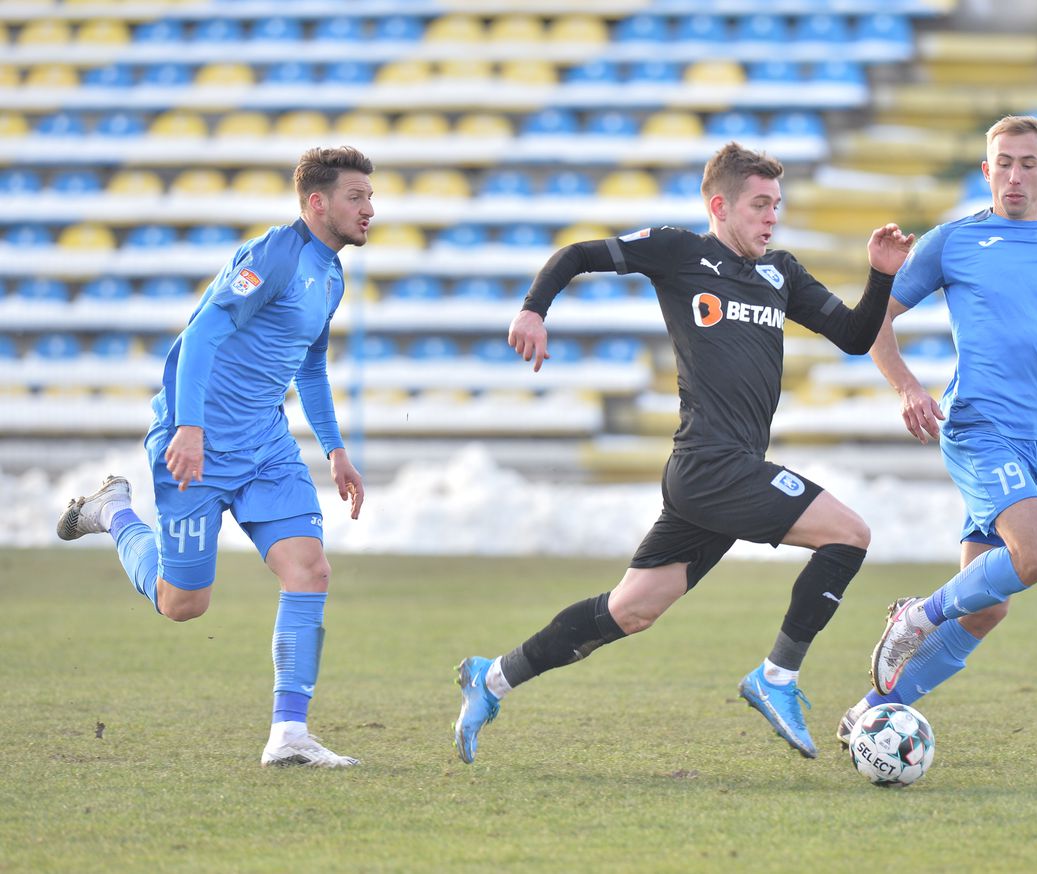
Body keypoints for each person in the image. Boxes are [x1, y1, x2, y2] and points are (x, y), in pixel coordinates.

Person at [453, 142, 915, 764]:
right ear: (720, 205)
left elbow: (857, 337)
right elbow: (576, 254)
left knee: (631, 611)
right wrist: (534, 309)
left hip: (717, 477)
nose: (771, 216)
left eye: (776, 205)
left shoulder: (782, 272)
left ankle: (492, 678)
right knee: (850, 534)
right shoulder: (680, 250)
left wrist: (880, 272)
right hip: (711, 464)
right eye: (758, 205)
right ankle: (776, 678)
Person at [56, 146, 375, 768]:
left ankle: (289, 734)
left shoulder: (332, 274)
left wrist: (335, 449)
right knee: (183, 604)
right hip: (193, 445)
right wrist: (190, 426)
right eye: (356, 197)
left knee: (309, 571)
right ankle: (115, 513)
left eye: (370, 196)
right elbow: (201, 333)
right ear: (318, 202)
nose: (370, 208)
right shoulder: (272, 258)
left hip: (265, 447)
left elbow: (309, 362)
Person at [837, 115, 1037, 744]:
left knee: (989, 603)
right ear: (985, 170)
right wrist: (907, 387)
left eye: (1027, 163)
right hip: (976, 426)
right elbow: (871, 321)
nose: (1014, 175)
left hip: (1035, 439)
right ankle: (921, 613)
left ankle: (869, 709)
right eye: (1003, 162)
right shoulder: (954, 241)